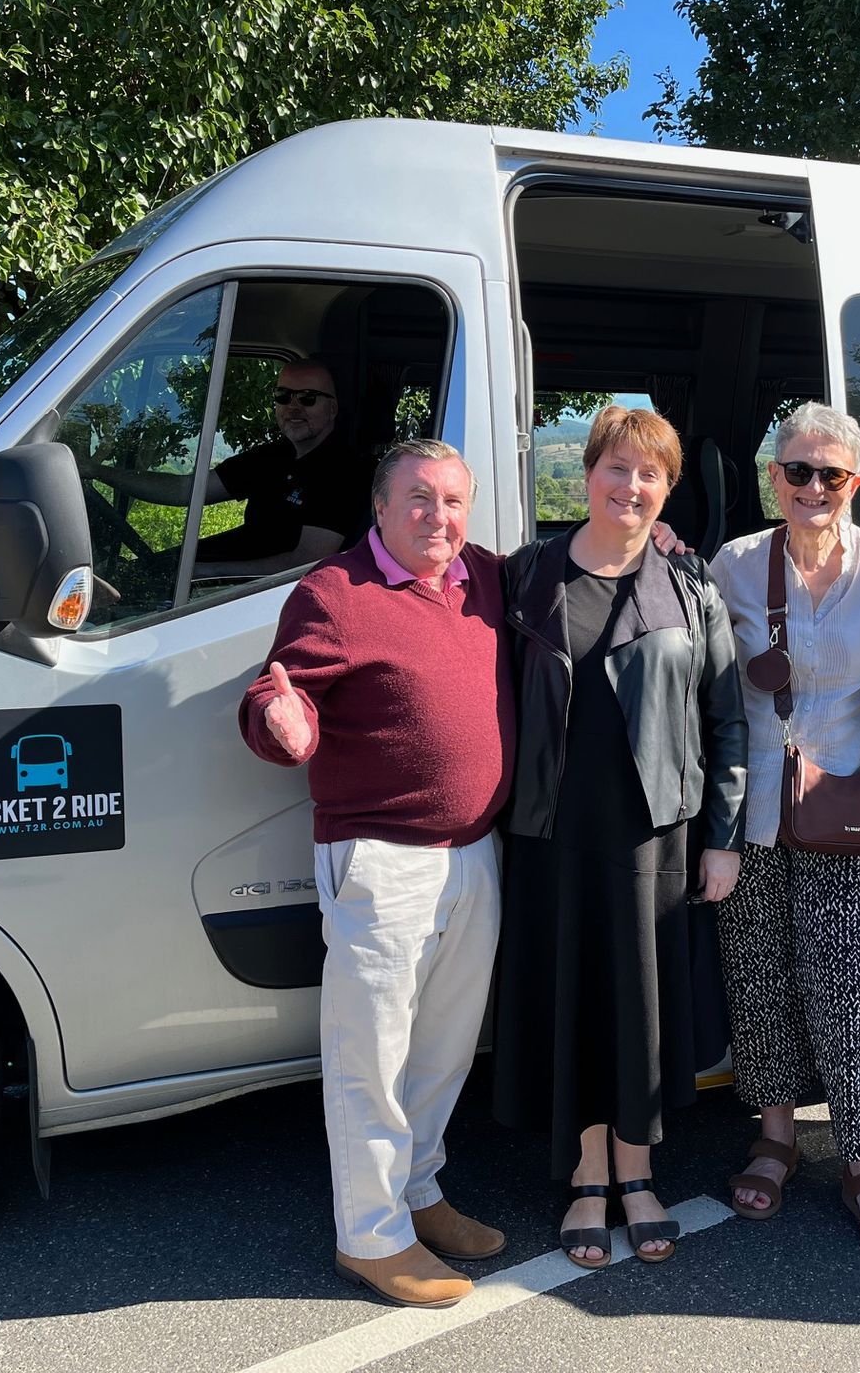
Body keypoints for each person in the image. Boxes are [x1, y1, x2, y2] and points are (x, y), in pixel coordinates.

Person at [237, 439, 512, 1309]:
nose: (440, 517)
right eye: (421, 499)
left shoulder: (485, 580)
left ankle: (419, 1191)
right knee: (373, 1058)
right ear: (381, 507)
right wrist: (277, 717)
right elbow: (281, 695)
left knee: (442, 1050)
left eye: (455, 501)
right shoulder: (334, 591)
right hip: (381, 859)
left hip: (474, 853)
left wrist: (658, 542)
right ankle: (371, 1237)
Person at [491, 404, 748, 1269]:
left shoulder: (691, 585)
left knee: (640, 1010)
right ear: (587, 474)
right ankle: (587, 1176)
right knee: (574, 1003)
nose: (630, 487)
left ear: (667, 488)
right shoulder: (526, 574)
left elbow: (726, 718)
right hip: (550, 835)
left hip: (656, 837)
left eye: (650, 475)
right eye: (616, 468)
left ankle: (638, 1174)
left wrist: (724, 836)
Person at [709, 401, 860, 1261]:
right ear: (774, 477)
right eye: (797, 470)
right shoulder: (734, 564)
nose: (812, 486)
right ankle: (777, 1134)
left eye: (831, 474)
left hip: (851, 807)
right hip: (751, 810)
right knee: (758, 980)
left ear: (855, 484)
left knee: (854, 991)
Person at [90, 358, 372, 577]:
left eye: (307, 397)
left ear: (332, 409)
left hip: (253, 597)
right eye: (283, 396)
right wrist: (99, 472)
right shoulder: (272, 457)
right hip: (224, 575)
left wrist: (202, 573)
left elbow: (304, 564)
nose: (293, 407)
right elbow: (185, 490)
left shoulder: (344, 472)